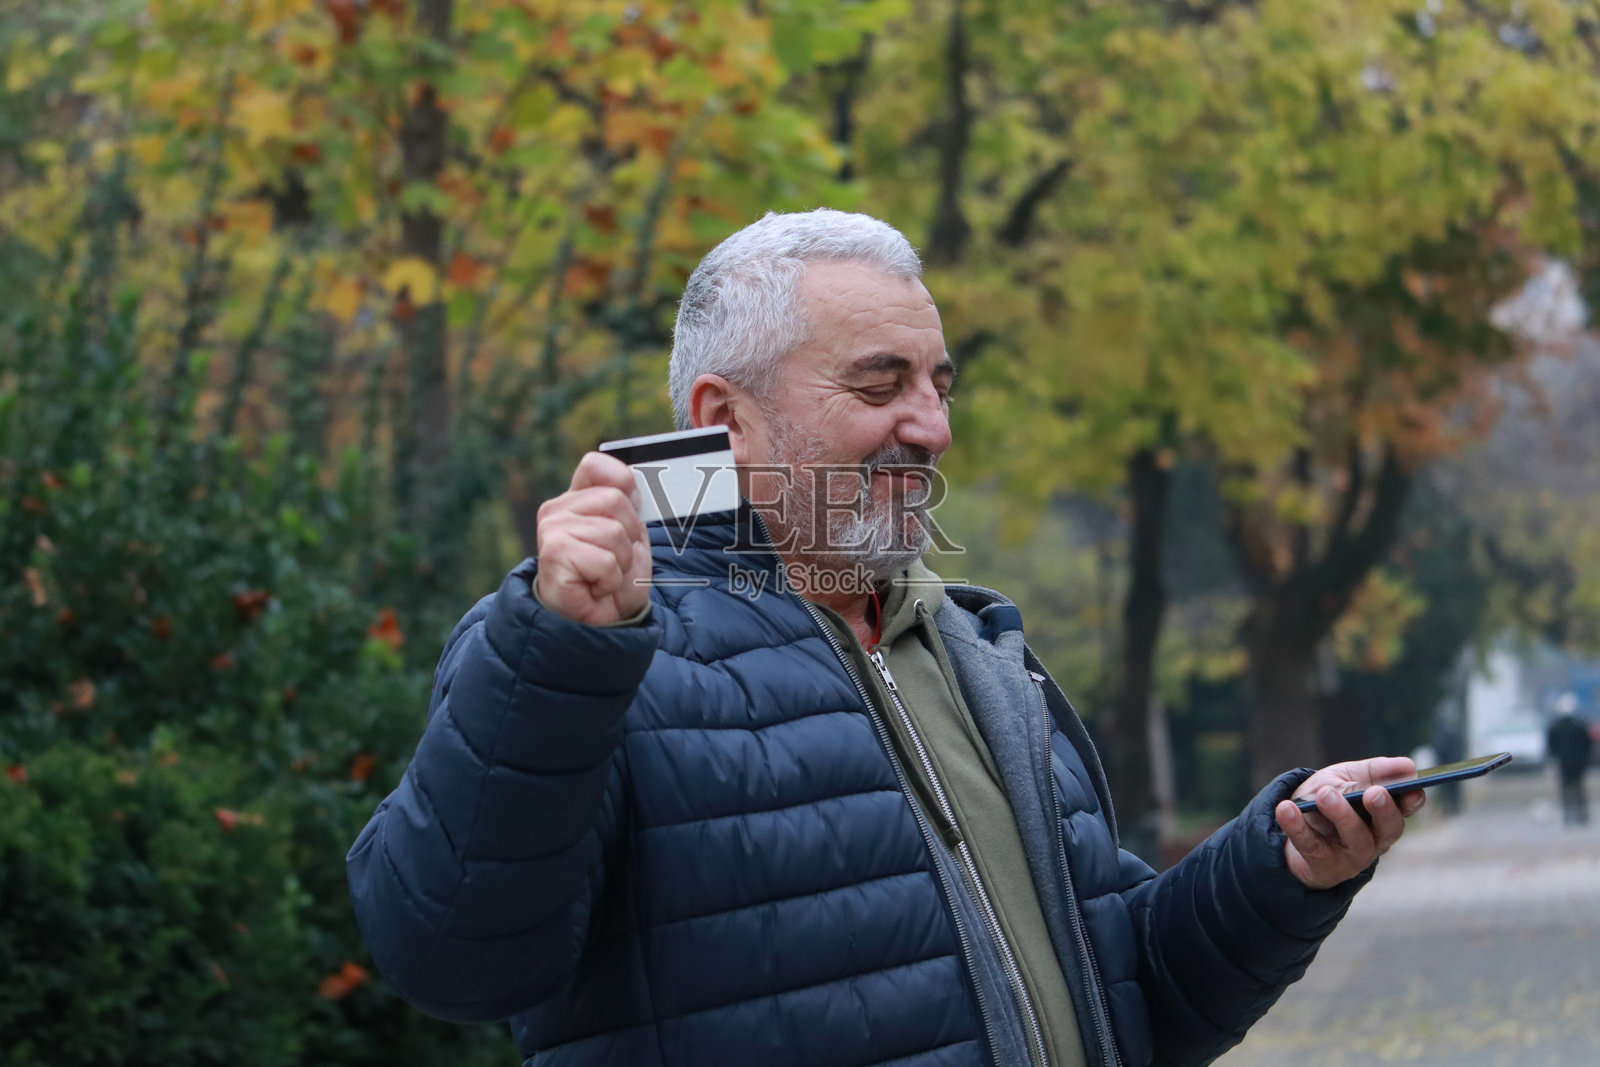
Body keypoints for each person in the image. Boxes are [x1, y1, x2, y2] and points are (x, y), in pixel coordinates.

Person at [347, 209, 1424, 1067]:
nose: (933, 426)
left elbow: (1121, 997)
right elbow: (452, 959)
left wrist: (1277, 868)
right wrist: (556, 663)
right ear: (725, 416)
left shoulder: (978, 653)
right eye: (880, 383)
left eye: (938, 384)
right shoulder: (582, 646)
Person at [1546, 696, 1593, 826]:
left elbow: (1551, 746)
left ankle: (1568, 816)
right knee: (1579, 788)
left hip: (1563, 764)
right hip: (1579, 764)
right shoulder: (1580, 725)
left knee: (1565, 789)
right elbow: (1588, 744)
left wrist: (1553, 760)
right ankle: (1582, 815)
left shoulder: (1555, 726)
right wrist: (1586, 760)